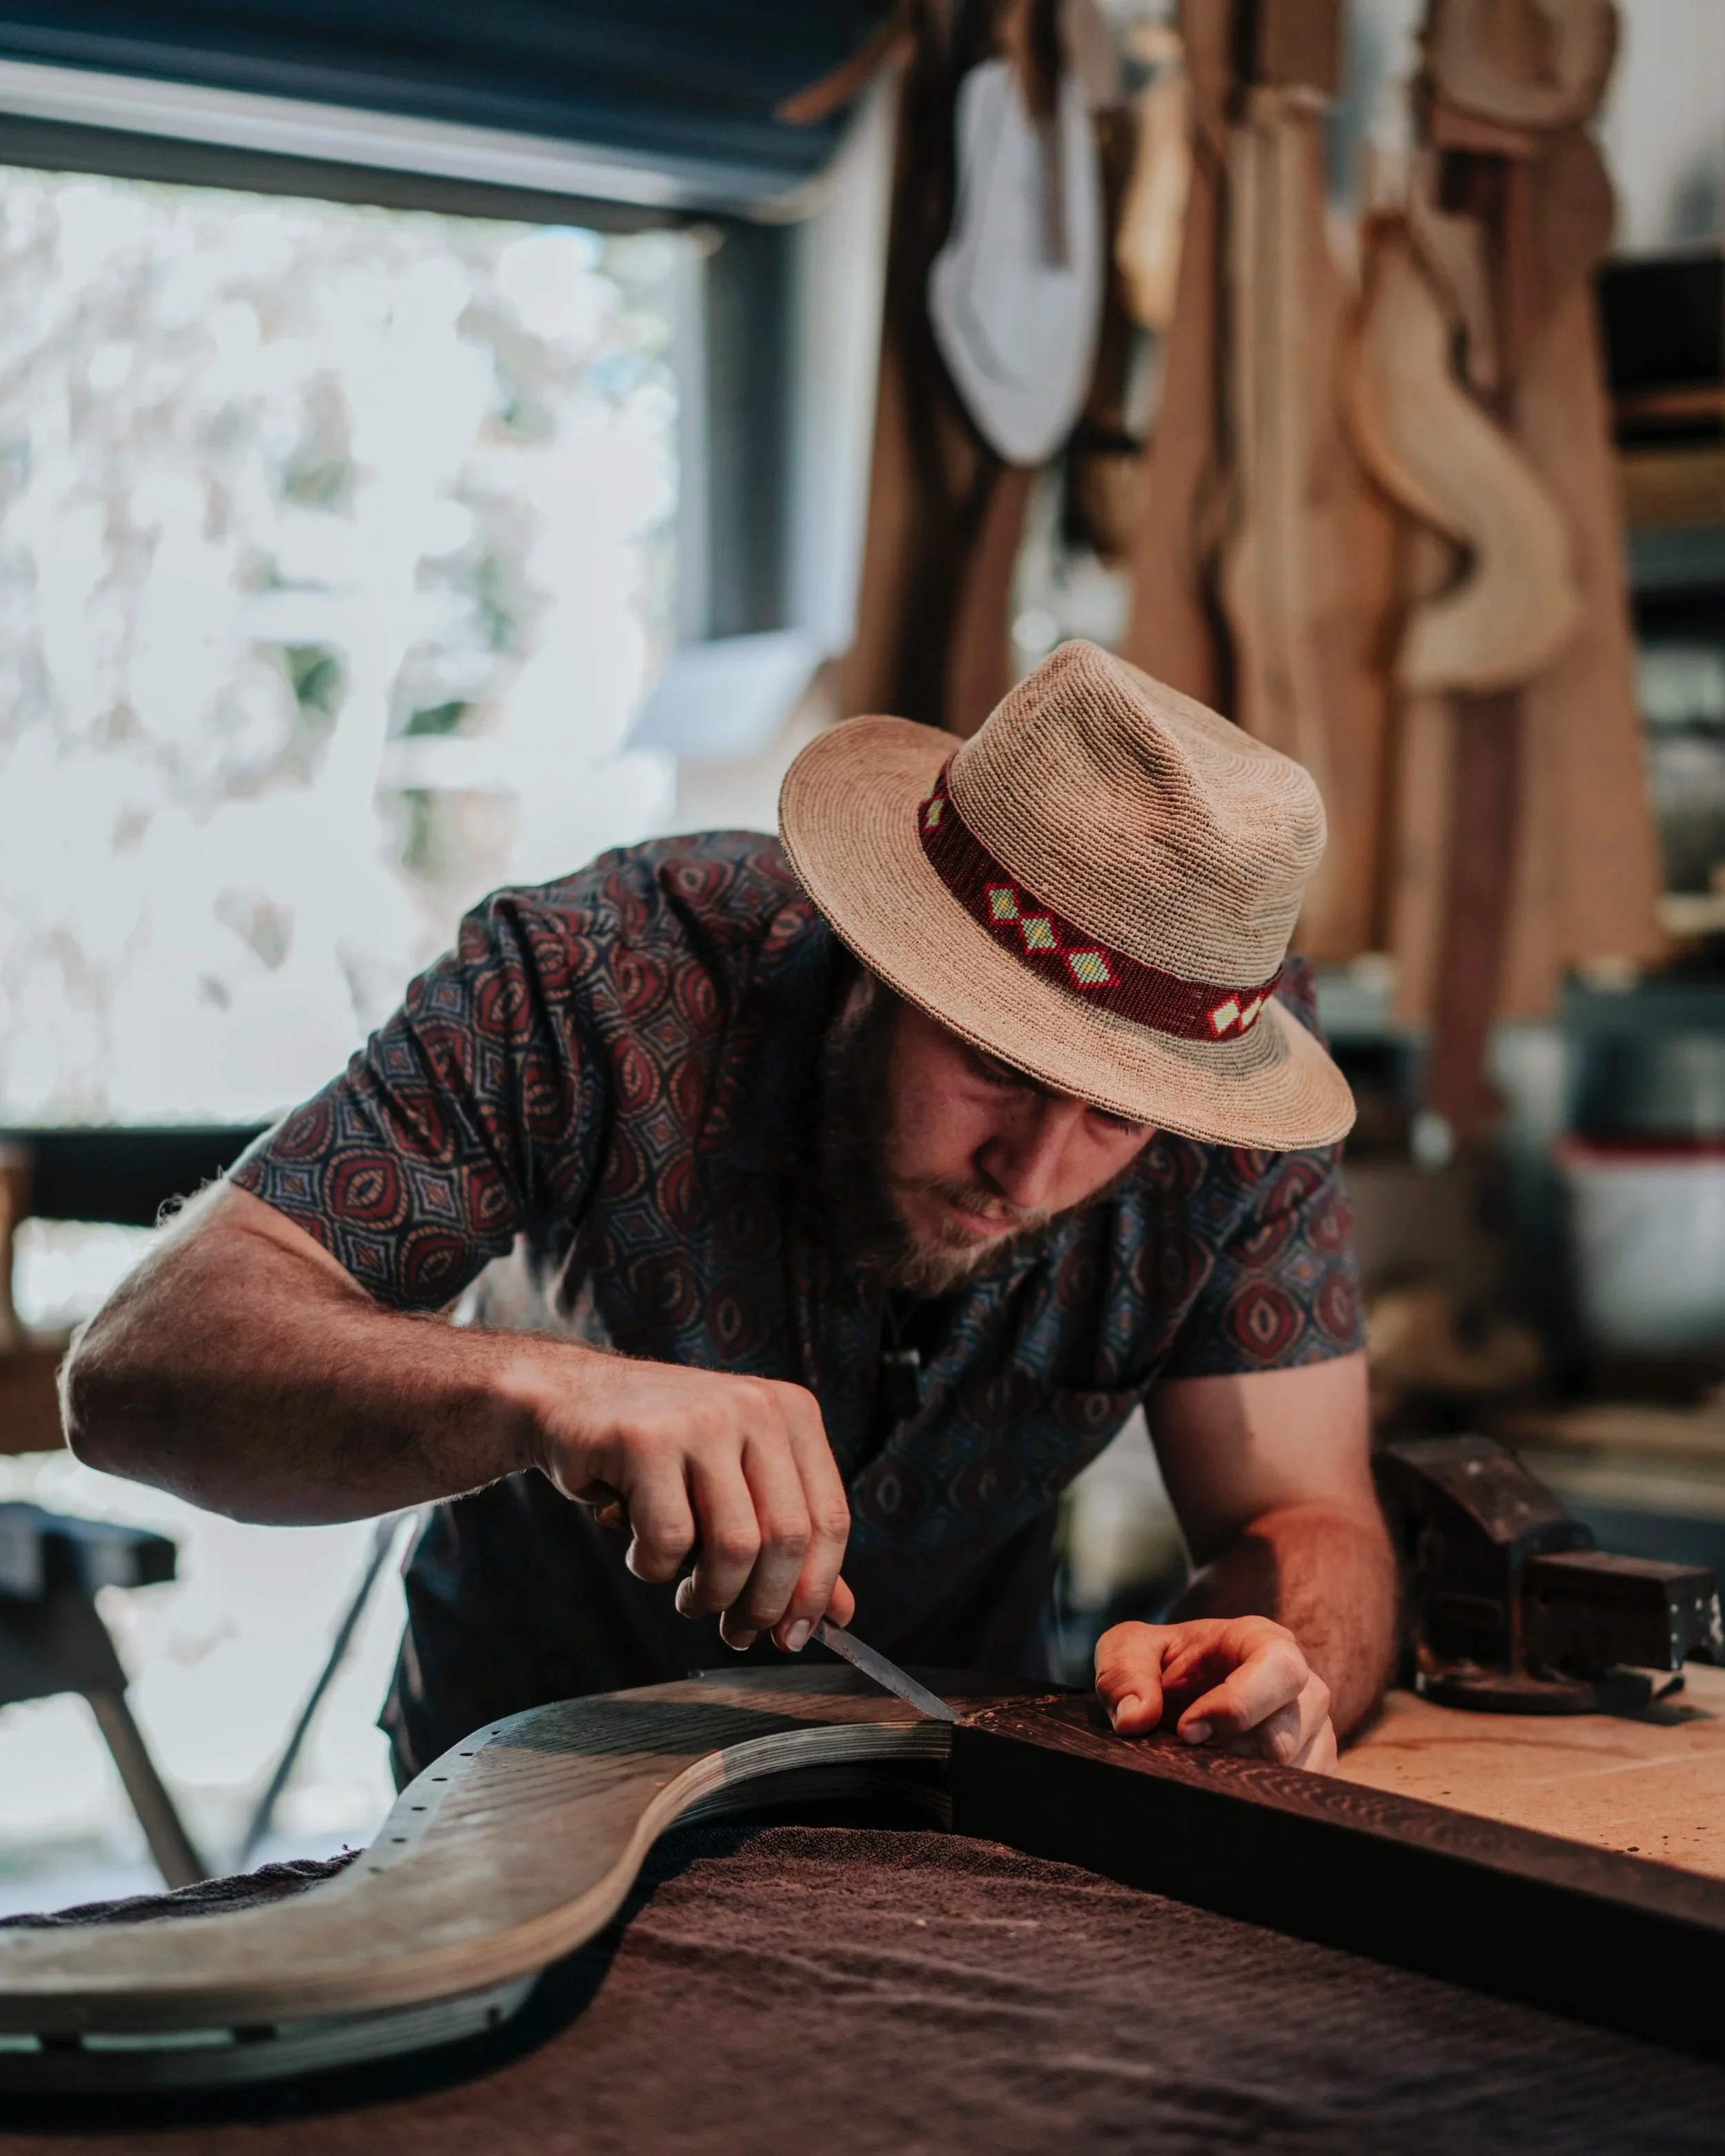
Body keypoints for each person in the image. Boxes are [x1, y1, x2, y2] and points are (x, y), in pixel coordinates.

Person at [64, 641, 1394, 1783]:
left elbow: (1308, 1517)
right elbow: (135, 1371)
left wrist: (1279, 1667)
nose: (1032, 1178)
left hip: (950, 1816)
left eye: (1117, 1117)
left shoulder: (1221, 1092)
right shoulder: (591, 981)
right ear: (887, 947)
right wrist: (541, 1392)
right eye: (999, 1068)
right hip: (520, 1779)